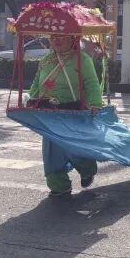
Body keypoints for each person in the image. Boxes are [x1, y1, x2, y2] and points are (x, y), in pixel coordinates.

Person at [27, 34, 105, 196]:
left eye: (61, 37)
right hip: (49, 113)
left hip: (73, 112)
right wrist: (29, 99)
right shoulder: (46, 61)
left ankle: (87, 168)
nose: (57, 40)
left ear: (72, 39)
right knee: (51, 151)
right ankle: (59, 185)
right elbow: (36, 84)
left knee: (73, 147)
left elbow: (91, 84)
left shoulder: (82, 59)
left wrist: (95, 104)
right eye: (53, 37)